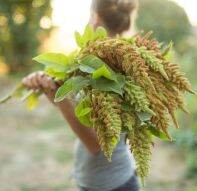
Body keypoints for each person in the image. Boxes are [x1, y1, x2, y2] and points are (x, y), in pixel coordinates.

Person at [22, 0, 139, 190]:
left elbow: (95, 144)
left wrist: (61, 101)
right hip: (97, 179)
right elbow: (77, 108)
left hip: (113, 184)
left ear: (95, 19)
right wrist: (52, 89)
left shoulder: (115, 69)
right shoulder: (100, 61)